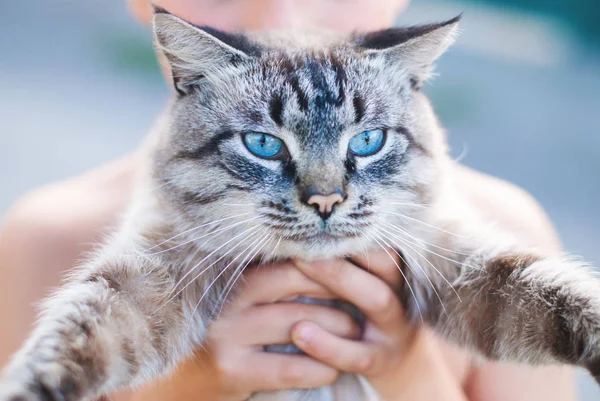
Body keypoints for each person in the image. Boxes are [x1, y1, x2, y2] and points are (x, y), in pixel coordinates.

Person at [0, 0, 577, 400]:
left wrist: (404, 372)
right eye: (262, 144)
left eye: (367, 143)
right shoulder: (50, 239)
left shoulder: (505, 224)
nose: (325, 196)